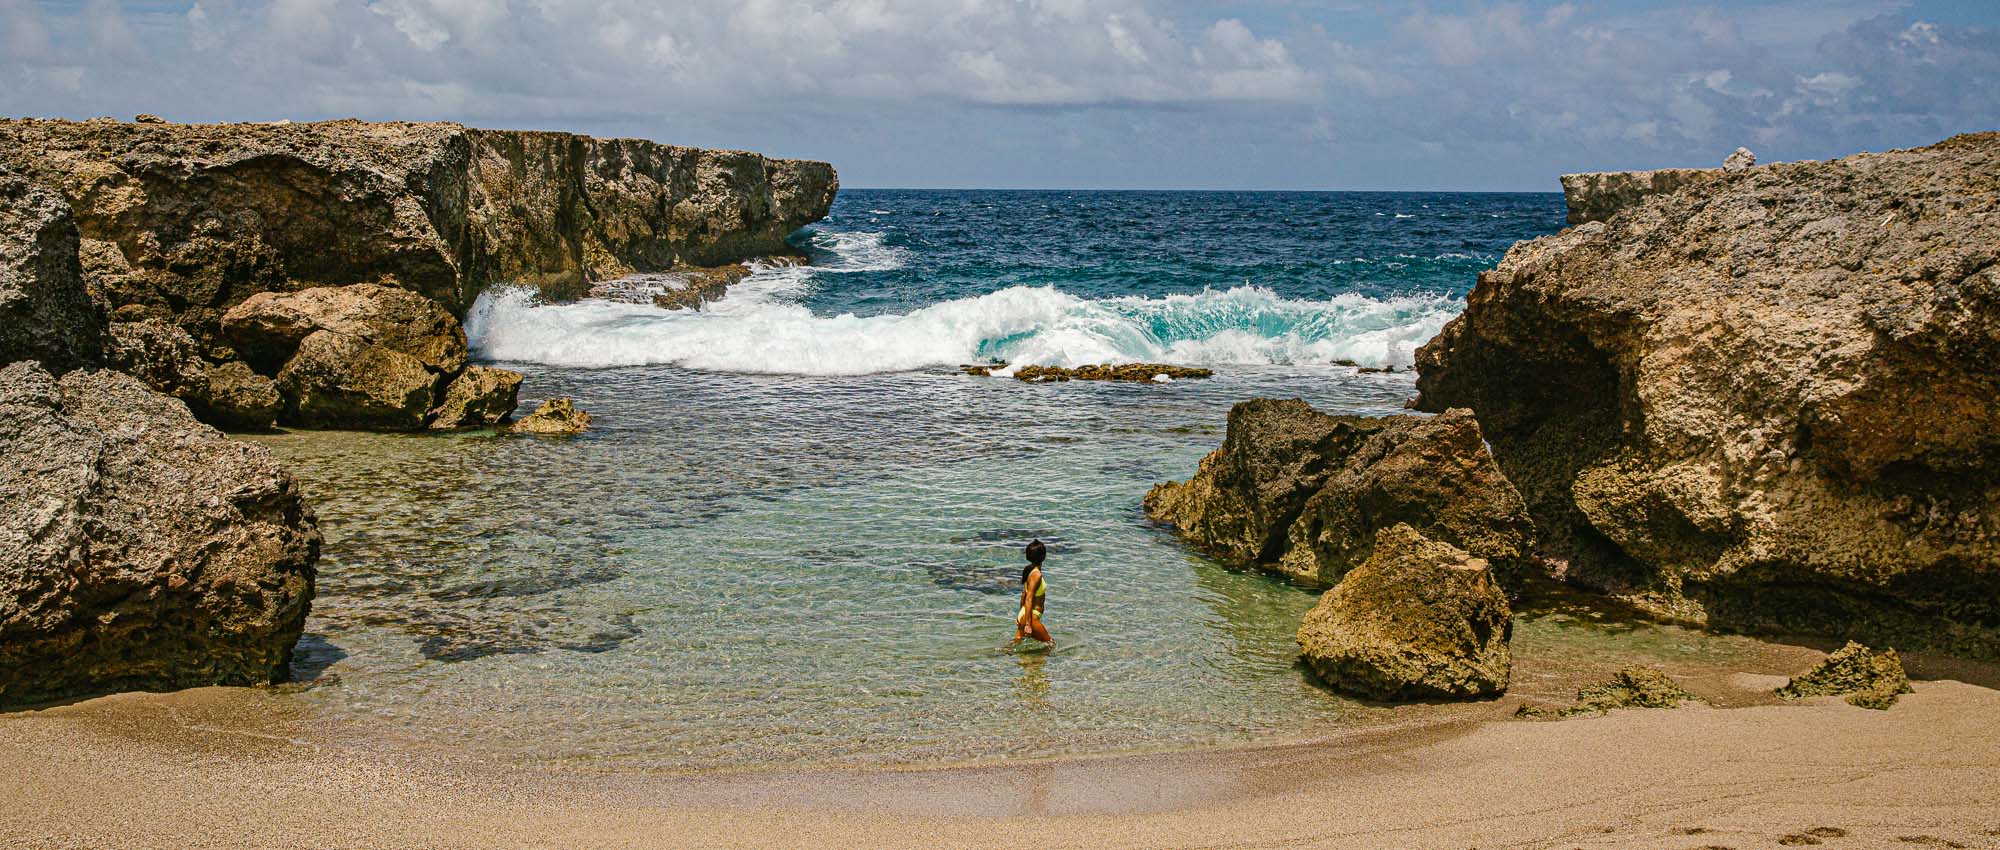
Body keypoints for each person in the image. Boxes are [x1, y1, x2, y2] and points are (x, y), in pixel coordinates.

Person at [1012, 539, 1053, 648]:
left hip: (1025, 614)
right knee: (1050, 645)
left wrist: (1020, 615)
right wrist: (1028, 625)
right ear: (1043, 556)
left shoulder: (1029, 570)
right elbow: (1028, 598)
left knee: (1012, 647)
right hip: (1031, 617)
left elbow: (1023, 595)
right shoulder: (1036, 575)